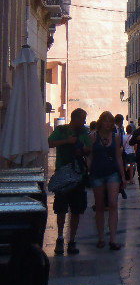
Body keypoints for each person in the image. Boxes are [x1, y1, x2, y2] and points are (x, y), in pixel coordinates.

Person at [48, 108, 91, 255]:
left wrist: (81, 148)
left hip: (78, 175)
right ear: (75, 119)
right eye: (83, 118)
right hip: (63, 174)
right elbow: (50, 142)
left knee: (76, 209)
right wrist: (67, 141)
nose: (84, 122)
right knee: (60, 209)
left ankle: (71, 240)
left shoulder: (84, 133)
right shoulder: (61, 130)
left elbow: (88, 149)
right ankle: (60, 237)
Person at [89, 111, 127, 250]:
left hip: (112, 173)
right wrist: (89, 169)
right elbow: (90, 155)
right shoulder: (93, 137)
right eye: (105, 121)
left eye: (110, 121)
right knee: (99, 206)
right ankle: (100, 237)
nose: (108, 123)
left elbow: (118, 156)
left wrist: (122, 175)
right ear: (100, 122)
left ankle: (112, 238)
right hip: (97, 173)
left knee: (113, 204)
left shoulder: (116, 137)